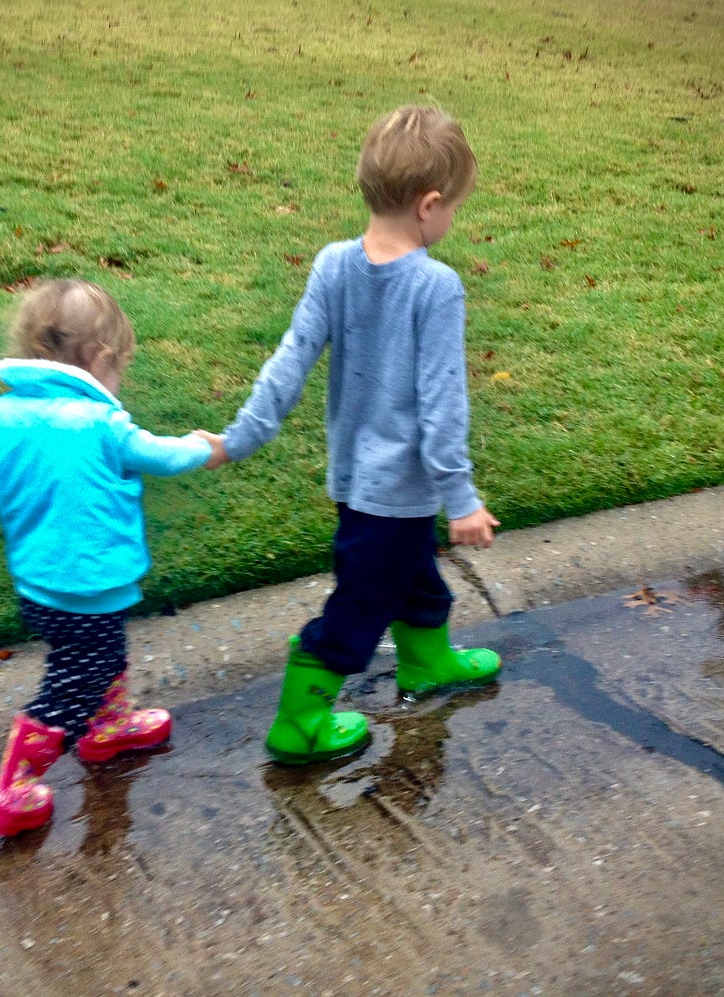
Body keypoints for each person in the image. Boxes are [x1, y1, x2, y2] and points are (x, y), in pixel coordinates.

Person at [202, 105, 502, 764]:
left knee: (415, 579)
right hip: (399, 490)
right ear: (428, 205)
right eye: (453, 207)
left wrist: (241, 435)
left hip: (356, 481)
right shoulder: (436, 286)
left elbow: (290, 358)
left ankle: (429, 662)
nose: (453, 220)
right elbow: (442, 406)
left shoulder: (333, 264)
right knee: (360, 607)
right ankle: (301, 719)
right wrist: (461, 498)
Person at [0, 278, 217, 837]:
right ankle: (12, 787)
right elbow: (160, 456)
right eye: (120, 368)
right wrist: (204, 446)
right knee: (74, 681)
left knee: (98, 656)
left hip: (39, 585)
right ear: (98, 359)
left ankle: (109, 726)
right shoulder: (102, 423)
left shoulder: (2, 417)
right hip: (87, 585)